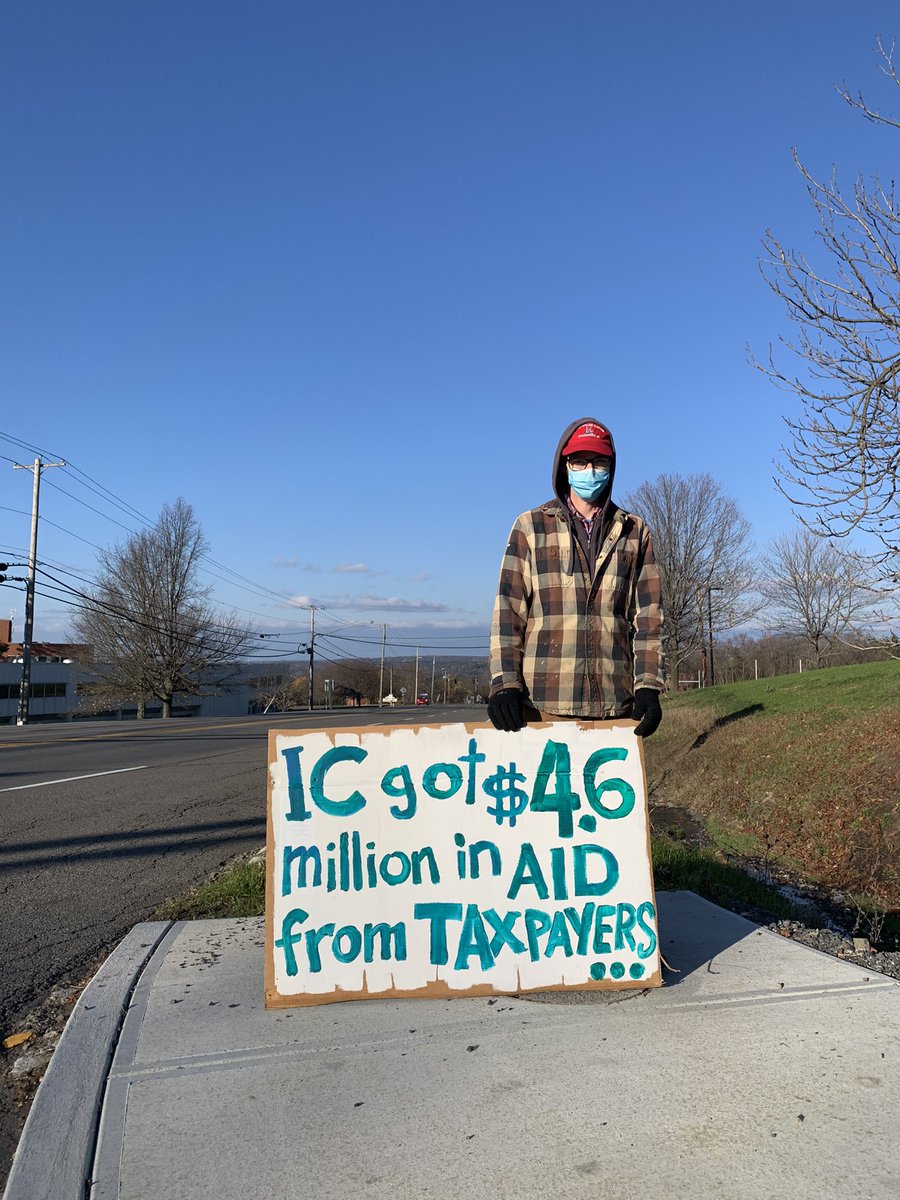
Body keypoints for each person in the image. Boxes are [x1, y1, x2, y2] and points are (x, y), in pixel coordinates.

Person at [487, 417, 664, 735]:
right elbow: (507, 613)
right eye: (580, 461)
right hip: (543, 706)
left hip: (617, 707)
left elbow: (649, 620)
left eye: (598, 462)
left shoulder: (635, 531)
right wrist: (505, 684)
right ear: (564, 465)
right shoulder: (530, 526)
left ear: (610, 467)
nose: (589, 470)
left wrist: (648, 686)